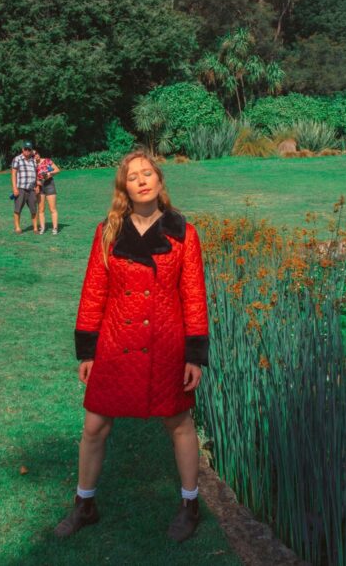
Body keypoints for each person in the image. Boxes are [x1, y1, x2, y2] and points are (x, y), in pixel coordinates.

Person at [54, 151, 210, 543]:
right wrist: (88, 350)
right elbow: (94, 291)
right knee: (94, 426)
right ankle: (84, 504)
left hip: (166, 343)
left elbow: (193, 296)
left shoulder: (183, 234)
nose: (141, 180)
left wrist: (195, 355)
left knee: (178, 423)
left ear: (159, 180)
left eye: (147, 173)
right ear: (124, 187)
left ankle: (190, 504)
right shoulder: (108, 230)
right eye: (132, 176)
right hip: (115, 342)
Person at [10, 140, 38, 234]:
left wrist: (37, 186)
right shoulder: (17, 159)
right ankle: (17, 228)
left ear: (31, 150)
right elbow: (13, 174)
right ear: (22, 149)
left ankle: (35, 228)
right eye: (25, 149)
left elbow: (37, 173)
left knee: (34, 210)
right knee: (17, 209)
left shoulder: (33, 160)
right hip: (20, 188)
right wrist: (14, 188)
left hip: (32, 189)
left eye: (29, 149)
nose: (27, 151)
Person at [34, 150, 62, 235]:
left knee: (52, 208)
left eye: (37, 154)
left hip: (49, 184)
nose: (36, 156)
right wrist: (37, 184)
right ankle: (42, 228)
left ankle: (55, 228)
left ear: (39, 153)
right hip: (40, 186)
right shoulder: (33, 164)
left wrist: (49, 173)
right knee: (41, 209)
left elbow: (57, 170)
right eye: (33, 155)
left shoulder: (47, 161)